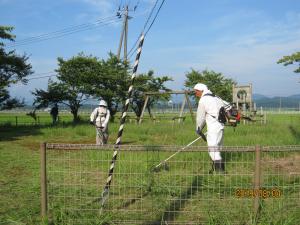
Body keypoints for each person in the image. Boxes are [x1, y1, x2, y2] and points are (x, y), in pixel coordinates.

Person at [194, 83, 231, 173]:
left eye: (196, 92)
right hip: (221, 126)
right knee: (217, 149)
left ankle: (220, 172)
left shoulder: (203, 100)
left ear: (201, 90)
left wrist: (199, 128)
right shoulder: (216, 97)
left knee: (213, 150)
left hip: (213, 128)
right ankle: (215, 169)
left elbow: (200, 117)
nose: (195, 94)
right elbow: (229, 106)